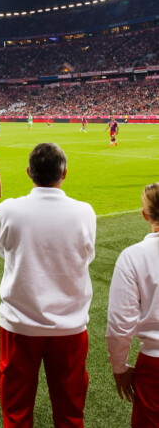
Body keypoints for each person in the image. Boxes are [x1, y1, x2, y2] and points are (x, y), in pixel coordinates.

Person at [0, 142, 96, 427]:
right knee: (71, 412)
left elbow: (2, 250)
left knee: (15, 412)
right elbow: (87, 256)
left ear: (29, 172)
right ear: (65, 173)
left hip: (19, 325)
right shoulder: (84, 212)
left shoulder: (8, 210)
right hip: (70, 327)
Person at [106, 182, 159, 427]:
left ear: (145, 214)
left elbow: (120, 323)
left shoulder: (132, 256)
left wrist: (119, 366)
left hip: (154, 366)